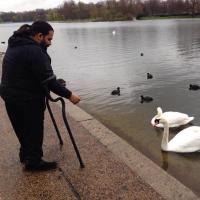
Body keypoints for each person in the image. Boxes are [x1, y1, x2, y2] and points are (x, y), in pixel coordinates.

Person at [0, 21, 80, 171]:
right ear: (39, 35)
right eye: (49, 39)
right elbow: (50, 81)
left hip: (8, 95)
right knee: (34, 128)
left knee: (21, 128)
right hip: (27, 98)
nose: (50, 43)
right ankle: (34, 162)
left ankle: (25, 155)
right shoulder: (34, 51)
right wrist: (70, 95)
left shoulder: (15, 44)